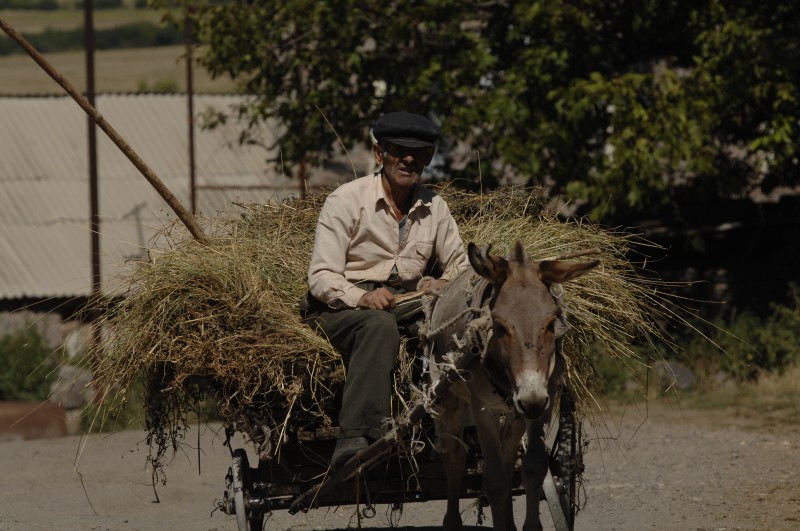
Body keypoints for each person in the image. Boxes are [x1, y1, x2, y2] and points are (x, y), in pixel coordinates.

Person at [303, 111, 470, 468]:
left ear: (428, 157)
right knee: (379, 325)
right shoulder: (346, 200)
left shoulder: (435, 207)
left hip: (405, 302)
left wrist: (443, 283)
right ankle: (358, 436)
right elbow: (320, 276)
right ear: (380, 155)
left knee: (451, 322)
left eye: (419, 153)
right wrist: (361, 296)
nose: (409, 160)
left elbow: (463, 267)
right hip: (339, 312)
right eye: (399, 151)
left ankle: (460, 424)